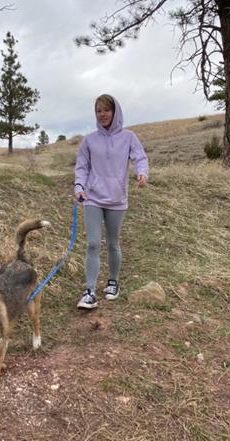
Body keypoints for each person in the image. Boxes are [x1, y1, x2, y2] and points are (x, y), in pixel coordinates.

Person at [74, 94, 149, 309]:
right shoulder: (89, 140)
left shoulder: (128, 137)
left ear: (115, 112)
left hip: (117, 199)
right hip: (92, 198)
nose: (102, 114)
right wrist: (79, 186)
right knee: (93, 244)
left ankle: (113, 282)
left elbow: (140, 158)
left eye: (106, 110)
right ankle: (89, 291)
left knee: (113, 243)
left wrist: (142, 173)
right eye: (99, 110)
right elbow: (82, 166)